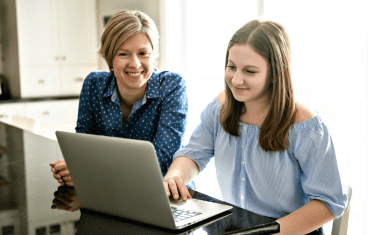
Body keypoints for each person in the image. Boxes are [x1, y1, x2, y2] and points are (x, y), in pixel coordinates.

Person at [163, 20, 347, 235]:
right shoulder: (220, 108)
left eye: (250, 71)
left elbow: (329, 202)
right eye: (231, 67)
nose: (236, 80)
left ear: (275, 73)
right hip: (235, 227)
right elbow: (194, 154)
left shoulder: (305, 125)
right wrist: (174, 176)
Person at [50, 10, 194, 189]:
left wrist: (87, 170)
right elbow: (84, 146)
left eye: (143, 53)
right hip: (110, 189)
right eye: (123, 54)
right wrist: (75, 168)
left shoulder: (172, 85)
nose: (135, 63)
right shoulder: (94, 84)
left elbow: (161, 157)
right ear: (110, 57)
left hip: (162, 191)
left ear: (153, 55)